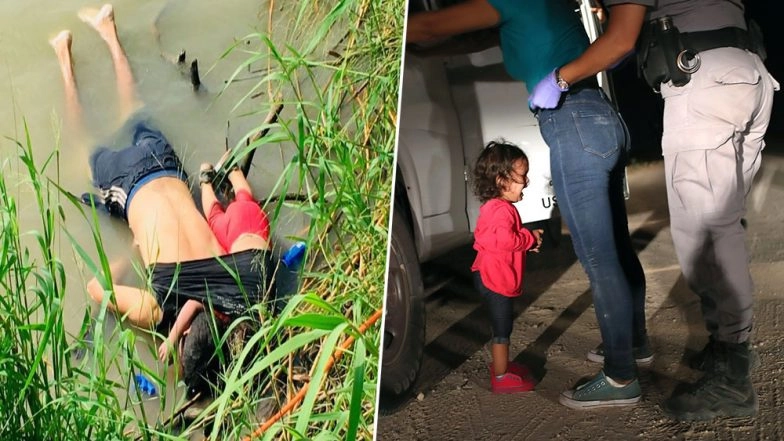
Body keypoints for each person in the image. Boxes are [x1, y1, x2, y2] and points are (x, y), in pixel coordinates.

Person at [408, 0, 648, 408]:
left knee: (599, 258)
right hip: (598, 117)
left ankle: (621, 375)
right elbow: (474, 38)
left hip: (572, 121)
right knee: (617, 250)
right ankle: (633, 344)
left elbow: (429, 25)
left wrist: (395, 37)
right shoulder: (540, 7)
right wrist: (427, 52)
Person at [545, 0, 778, 420]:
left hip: (705, 82)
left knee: (706, 237)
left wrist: (560, 78)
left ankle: (732, 377)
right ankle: (729, 347)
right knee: (724, 227)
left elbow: (620, 39)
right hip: (748, 75)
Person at [51, 5, 272, 337]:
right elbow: (98, 288)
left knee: (134, 110)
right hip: (128, 184)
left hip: (167, 167)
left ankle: (108, 30)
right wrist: (132, 250)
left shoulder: (235, 279)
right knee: (84, 146)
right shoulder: (159, 309)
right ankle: (63, 55)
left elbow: (246, 230)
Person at [157, 158, 273, 362]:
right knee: (213, 216)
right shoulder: (226, 305)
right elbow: (194, 301)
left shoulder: (255, 315)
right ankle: (205, 179)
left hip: (258, 227)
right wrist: (171, 339)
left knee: (244, 197)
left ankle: (233, 171)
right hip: (234, 234)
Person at [471, 141, 542, 393]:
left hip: (487, 274)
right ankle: (500, 377)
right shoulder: (501, 210)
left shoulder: (495, 208)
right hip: (495, 279)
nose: (526, 182)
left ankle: (502, 366)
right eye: (522, 176)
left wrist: (526, 242)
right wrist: (529, 238)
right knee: (502, 328)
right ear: (502, 180)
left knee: (501, 324)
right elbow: (505, 240)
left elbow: (499, 241)